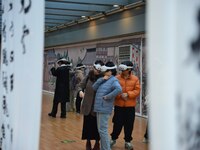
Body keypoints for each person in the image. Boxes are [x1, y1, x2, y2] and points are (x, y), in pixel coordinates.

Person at [110, 61, 141, 150]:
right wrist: (120, 95)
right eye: (121, 69)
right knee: (117, 124)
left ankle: (128, 141)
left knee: (129, 125)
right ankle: (113, 139)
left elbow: (137, 90)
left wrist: (128, 94)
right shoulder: (116, 78)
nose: (122, 71)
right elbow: (112, 90)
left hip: (130, 107)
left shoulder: (135, 79)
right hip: (118, 106)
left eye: (124, 69)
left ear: (129, 69)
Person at [92, 61, 122, 150]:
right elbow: (94, 87)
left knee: (102, 130)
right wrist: (102, 79)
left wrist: (108, 97)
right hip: (98, 107)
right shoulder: (103, 78)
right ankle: (104, 148)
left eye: (106, 70)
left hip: (104, 108)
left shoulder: (113, 80)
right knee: (101, 130)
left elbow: (119, 89)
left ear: (110, 71)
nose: (103, 72)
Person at [78, 60, 104, 150]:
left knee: (97, 126)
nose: (97, 71)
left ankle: (97, 142)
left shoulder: (103, 78)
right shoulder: (88, 76)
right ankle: (88, 141)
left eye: (99, 70)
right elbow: (80, 85)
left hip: (98, 106)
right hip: (88, 105)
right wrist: (80, 91)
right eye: (96, 69)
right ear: (93, 67)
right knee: (87, 125)